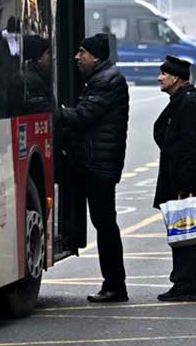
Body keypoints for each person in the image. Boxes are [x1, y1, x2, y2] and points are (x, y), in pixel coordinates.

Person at [53, 33, 130, 303]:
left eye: (82, 52)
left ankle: (115, 285)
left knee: (105, 224)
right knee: (104, 223)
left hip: (99, 165)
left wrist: (54, 111)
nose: (77, 57)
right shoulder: (102, 78)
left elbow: (84, 116)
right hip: (95, 162)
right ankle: (113, 283)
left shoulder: (106, 82)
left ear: (95, 56)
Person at [152, 55, 196, 302]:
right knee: (187, 232)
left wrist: (185, 186)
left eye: (163, 74)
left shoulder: (189, 103)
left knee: (185, 233)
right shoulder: (180, 100)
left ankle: (186, 283)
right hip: (180, 178)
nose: (159, 78)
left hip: (186, 182)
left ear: (175, 78)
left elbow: (191, 147)